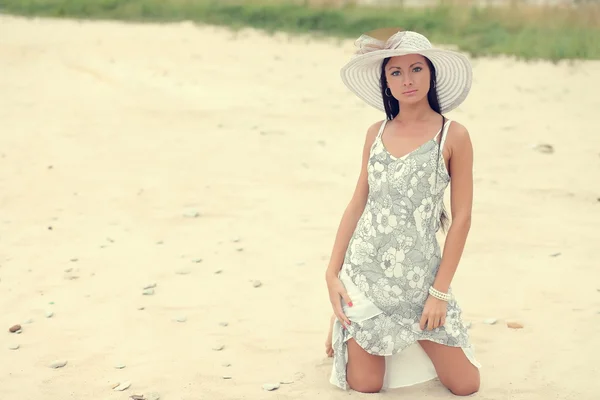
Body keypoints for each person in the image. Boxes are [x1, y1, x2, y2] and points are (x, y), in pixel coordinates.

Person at [324, 28, 482, 396]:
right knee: (365, 384)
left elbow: (462, 219)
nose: (407, 80)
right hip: (367, 271)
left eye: (416, 69)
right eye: (395, 73)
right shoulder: (375, 133)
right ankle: (346, 322)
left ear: (431, 73)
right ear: (386, 83)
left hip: (421, 279)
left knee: (466, 385)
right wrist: (332, 272)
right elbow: (357, 203)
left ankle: (388, 330)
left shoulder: (453, 136)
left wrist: (439, 293)